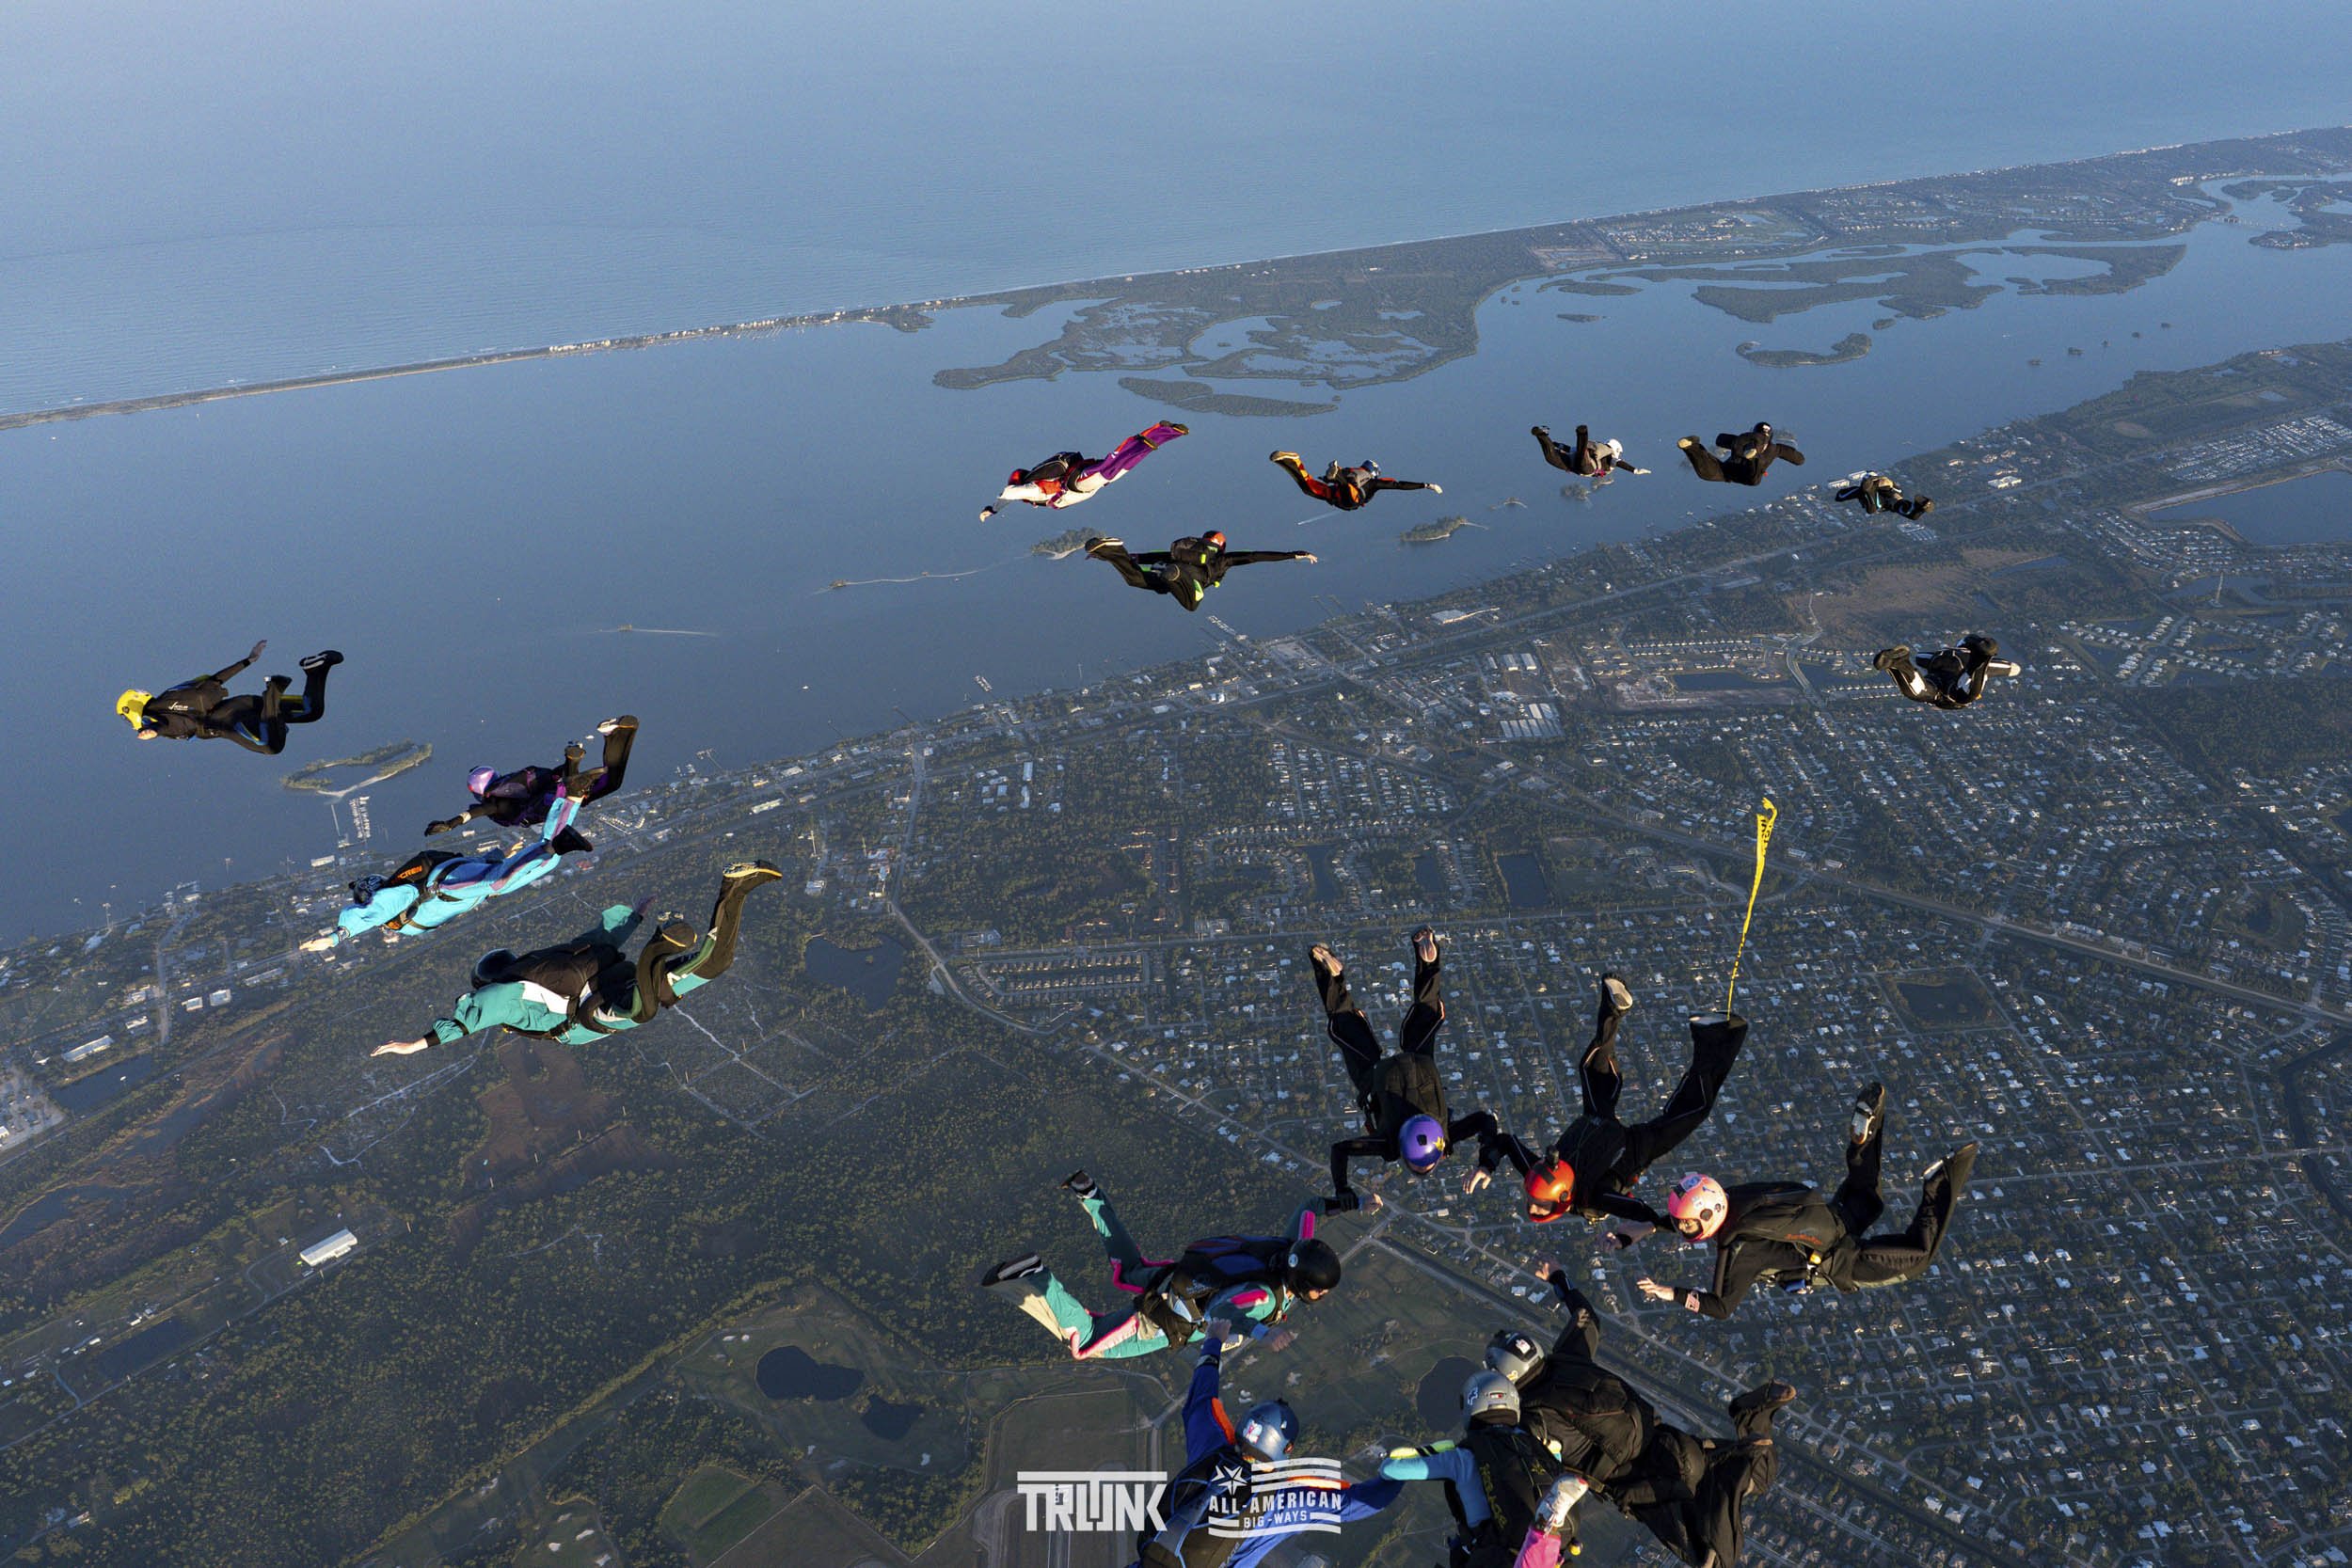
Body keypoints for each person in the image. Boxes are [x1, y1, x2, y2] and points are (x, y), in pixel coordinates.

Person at [1489, 1265, 1793, 1567]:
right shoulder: (1567, 1357)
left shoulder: (1530, 1417)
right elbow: (1586, 1317)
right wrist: (1558, 1278)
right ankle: (1752, 1416)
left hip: (1646, 1486)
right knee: (1758, 1474)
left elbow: (1532, 1473)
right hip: (1671, 1442)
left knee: (1712, 1560)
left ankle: (1743, 1445)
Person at [1632, 1084, 1980, 1320]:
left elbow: (1720, 1307)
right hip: (1834, 1218)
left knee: (1917, 1259)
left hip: (1841, 1261)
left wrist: (1669, 1293)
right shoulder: (1733, 1198)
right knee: (1867, 1194)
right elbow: (1687, 1213)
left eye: (1688, 1224)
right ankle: (1864, 1139)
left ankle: (1943, 1179)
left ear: (1710, 1214)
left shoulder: (1735, 1249)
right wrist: (1646, 1227)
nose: (1683, 1228)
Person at [372, 861, 781, 1054]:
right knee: (714, 962)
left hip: (591, 1011)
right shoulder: (543, 961)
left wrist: (415, 1045)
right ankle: (735, 887)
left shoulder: (508, 993)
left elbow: (475, 1013)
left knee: (642, 1011)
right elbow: (597, 938)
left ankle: (660, 947)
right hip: (609, 976)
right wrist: (633, 916)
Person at [1470, 978, 1746, 1237]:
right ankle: (1720, 1033)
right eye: (1539, 1205)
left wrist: (1487, 1163)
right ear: (1563, 1196)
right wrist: (1663, 1229)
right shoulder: (1595, 1199)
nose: (1531, 1207)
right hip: (1634, 1148)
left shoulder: (1540, 1174)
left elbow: (1506, 1142)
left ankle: (1614, 1006)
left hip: (1597, 1121)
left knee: (1592, 1068)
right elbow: (1641, 1212)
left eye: (1531, 1201)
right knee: (1692, 1111)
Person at [978, 1171, 1343, 1360]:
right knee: (1087, 1342)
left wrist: (1354, 1201)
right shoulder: (1264, 1298)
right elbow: (1221, 1308)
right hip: (1160, 1318)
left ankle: (1090, 1193)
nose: (1322, 1294)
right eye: (1320, 1289)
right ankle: (1037, 1276)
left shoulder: (1288, 1247)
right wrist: (1264, 1333)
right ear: (1303, 1282)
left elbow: (1309, 1206)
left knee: (1129, 1266)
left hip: (1178, 1277)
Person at [1131, 1320, 1404, 1568]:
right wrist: (1399, 1472)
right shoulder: (1282, 1501)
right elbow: (1361, 1503)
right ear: (1285, 1449)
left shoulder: (1211, 1447)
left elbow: (1200, 1399)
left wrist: (1213, 1341)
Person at [1314, 927, 1504, 1212]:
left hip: (1420, 1061)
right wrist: (1342, 1188)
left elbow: (1487, 1120)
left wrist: (1487, 1162)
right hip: (1377, 1076)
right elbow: (1340, 1151)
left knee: (1426, 1010)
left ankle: (1429, 962)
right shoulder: (1388, 1144)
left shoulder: (1445, 1134)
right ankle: (1333, 977)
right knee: (1344, 1024)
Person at [301, 788, 590, 952]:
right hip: (458, 879)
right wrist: (496, 854)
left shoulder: (393, 898)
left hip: (448, 886)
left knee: (499, 882)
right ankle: (571, 799)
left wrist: (336, 936)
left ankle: (557, 841)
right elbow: (472, 867)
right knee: (529, 869)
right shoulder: (396, 911)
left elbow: (366, 915)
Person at [1376, 1368, 1581, 1567]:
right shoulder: (1536, 1445)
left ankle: (1541, 1529)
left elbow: (1391, 1469)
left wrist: (1434, 1450)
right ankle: (1543, 1528)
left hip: (1496, 1554)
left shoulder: (1461, 1457)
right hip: (1554, 1553)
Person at [425, 715, 638, 844]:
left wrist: (450, 824)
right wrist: (566, 766)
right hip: (557, 788)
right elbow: (548, 776)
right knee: (612, 781)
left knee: (589, 788)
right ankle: (617, 732)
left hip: (556, 800)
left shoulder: (496, 803)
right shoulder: (514, 783)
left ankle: (575, 761)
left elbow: (476, 813)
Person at [118, 641, 342, 754]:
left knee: (270, 746)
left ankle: (274, 688)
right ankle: (317, 669)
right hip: (244, 703)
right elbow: (215, 681)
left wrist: (152, 732)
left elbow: (167, 727)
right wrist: (249, 660)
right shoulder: (172, 694)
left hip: (230, 720)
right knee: (311, 711)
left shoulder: (159, 717)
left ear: (132, 710)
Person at [980, 420, 1188, 520]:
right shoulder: (1036, 487)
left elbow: (1008, 493)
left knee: (1112, 466)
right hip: (1083, 483)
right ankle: (1165, 434)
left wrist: (994, 509)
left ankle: (1157, 431)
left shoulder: (1034, 488)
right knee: (1123, 466)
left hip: (1078, 484)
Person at [1083, 533, 1314, 612]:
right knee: (1193, 605)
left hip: (1165, 576)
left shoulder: (1179, 552)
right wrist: (1293, 554)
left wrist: (1105, 555)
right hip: (1186, 580)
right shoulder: (1224, 560)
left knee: (1134, 579)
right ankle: (1176, 575)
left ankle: (1113, 548)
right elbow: (1255, 556)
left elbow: (1142, 558)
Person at [1870, 637, 2020, 709]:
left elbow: (1920, 657)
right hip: (1954, 683)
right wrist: (1989, 660)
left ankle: (1899, 664)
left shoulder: (1945, 652)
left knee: (1921, 690)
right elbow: (2015, 668)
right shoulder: (1967, 656)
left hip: (1937, 676)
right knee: (1965, 693)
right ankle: (1979, 664)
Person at [1268, 451, 1441, 511]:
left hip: (1335, 494)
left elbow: (1400, 485)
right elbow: (1399, 485)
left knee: (1308, 486)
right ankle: (1292, 460)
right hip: (1348, 500)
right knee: (1311, 488)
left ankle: (1291, 461)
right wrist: (1425, 486)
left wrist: (1329, 478)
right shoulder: (1375, 483)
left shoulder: (1353, 472)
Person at [1674, 425, 1804, 487]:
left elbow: (1720, 439)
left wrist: (1736, 441)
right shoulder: (1775, 449)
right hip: (1747, 473)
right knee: (1754, 479)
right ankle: (1752, 458)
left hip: (1729, 471)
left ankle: (1691, 446)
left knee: (1707, 473)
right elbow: (1799, 460)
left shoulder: (1740, 440)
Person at [1532, 425, 1647, 479]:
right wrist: (1634, 470)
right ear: (1616, 449)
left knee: (1550, 457)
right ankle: (1582, 433)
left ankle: (1542, 435)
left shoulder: (1602, 450)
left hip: (1571, 465)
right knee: (1582, 454)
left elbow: (1568, 449)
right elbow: (1619, 463)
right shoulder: (1610, 456)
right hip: (1587, 467)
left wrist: (1555, 444)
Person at [1831, 472, 1933, 519]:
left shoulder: (1860, 491)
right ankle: (1871, 488)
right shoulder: (1860, 492)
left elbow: (1840, 496)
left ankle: (1871, 488)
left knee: (1875, 507)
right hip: (1887, 500)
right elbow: (1840, 496)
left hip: (1888, 500)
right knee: (1874, 508)